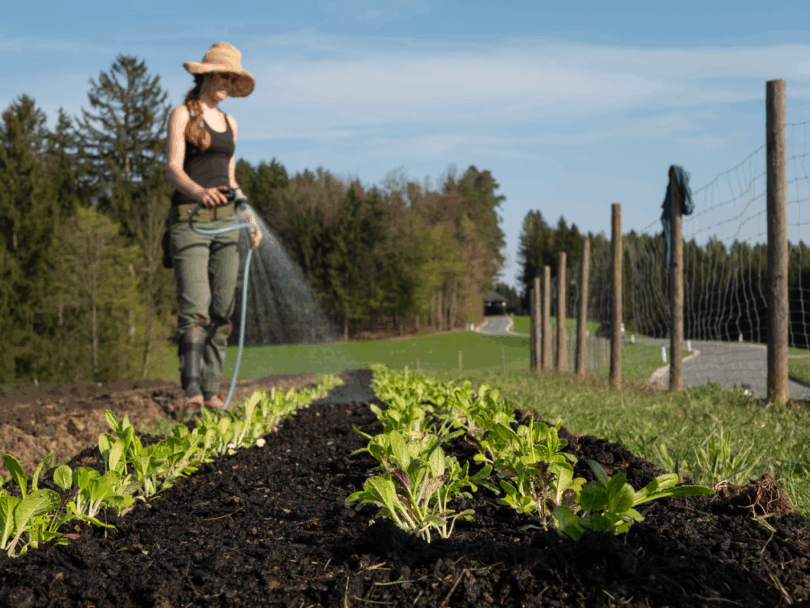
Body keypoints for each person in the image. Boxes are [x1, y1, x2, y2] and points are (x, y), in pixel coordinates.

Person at [165, 42, 262, 412]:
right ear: (206, 75)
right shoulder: (182, 114)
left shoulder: (231, 124)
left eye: (232, 78)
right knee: (196, 309)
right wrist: (198, 192)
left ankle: (212, 392)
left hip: (227, 223)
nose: (228, 83)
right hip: (190, 220)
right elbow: (172, 167)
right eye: (223, 75)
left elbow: (231, 179)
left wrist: (248, 214)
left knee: (222, 311)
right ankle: (191, 393)